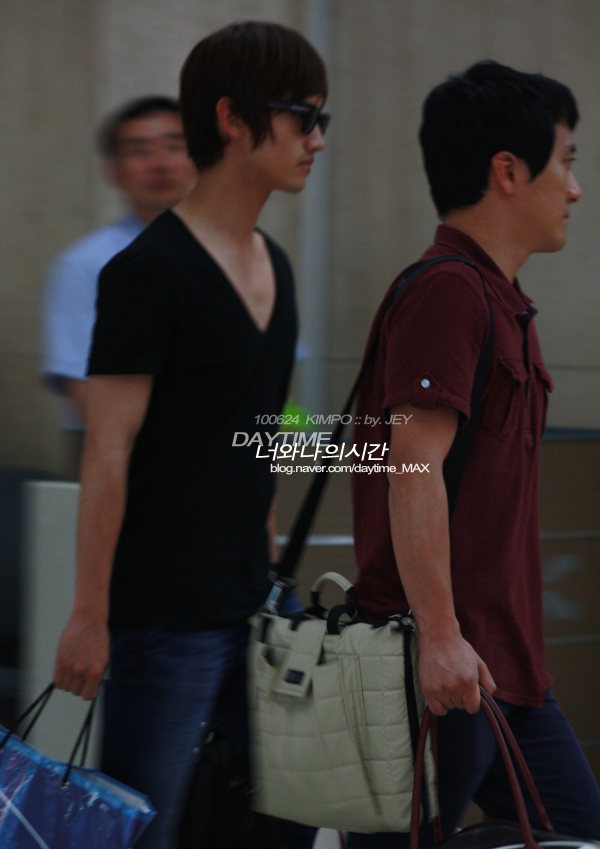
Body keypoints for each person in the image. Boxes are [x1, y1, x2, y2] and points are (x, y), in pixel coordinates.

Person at [53, 21, 328, 849]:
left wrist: (270, 561)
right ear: (234, 118)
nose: (317, 139)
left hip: (259, 606)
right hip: (164, 620)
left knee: (291, 823)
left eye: (322, 119)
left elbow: (260, 430)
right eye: (302, 116)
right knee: (146, 828)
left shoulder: (277, 266)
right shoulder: (146, 271)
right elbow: (107, 452)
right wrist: (89, 616)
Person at [349, 61, 600, 847]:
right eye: (566, 162)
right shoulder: (448, 291)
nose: (575, 189)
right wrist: (440, 636)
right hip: (442, 670)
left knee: (577, 830)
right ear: (508, 172)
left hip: (508, 667)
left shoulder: (503, 299)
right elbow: (411, 469)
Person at [41, 96, 196, 475]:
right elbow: (85, 392)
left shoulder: (242, 253)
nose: (160, 163)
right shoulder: (87, 264)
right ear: (114, 171)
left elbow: (274, 382)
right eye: (139, 150)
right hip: (123, 463)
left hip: (226, 462)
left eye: (175, 146)